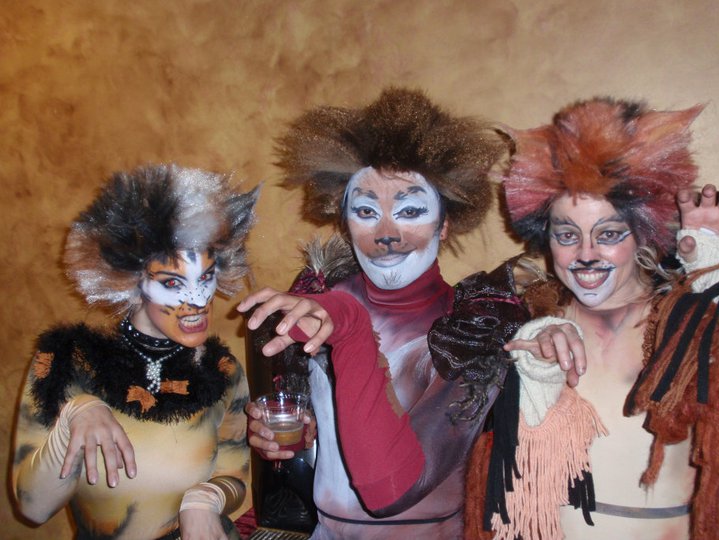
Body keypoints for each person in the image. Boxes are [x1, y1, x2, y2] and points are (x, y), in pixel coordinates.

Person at [239, 87, 534, 539]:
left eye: (411, 210)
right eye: (365, 210)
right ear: (344, 221)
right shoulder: (312, 304)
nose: (387, 234)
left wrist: (352, 323)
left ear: (444, 224)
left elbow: (391, 489)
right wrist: (292, 437)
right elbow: (316, 438)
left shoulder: (475, 328)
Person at [470, 97, 718, 539]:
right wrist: (534, 350)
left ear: (642, 233)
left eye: (608, 234)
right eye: (567, 234)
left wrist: (710, 280)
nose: (586, 254)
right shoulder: (526, 320)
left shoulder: (686, 325)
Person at [12, 164, 258, 540]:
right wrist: (76, 412)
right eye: (172, 283)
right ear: (132, 281)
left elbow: (234, 476)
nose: (197, 300)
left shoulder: (221, 370)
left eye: (206, 277)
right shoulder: (70, 363)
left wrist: (205, 499)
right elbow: (33, 508)